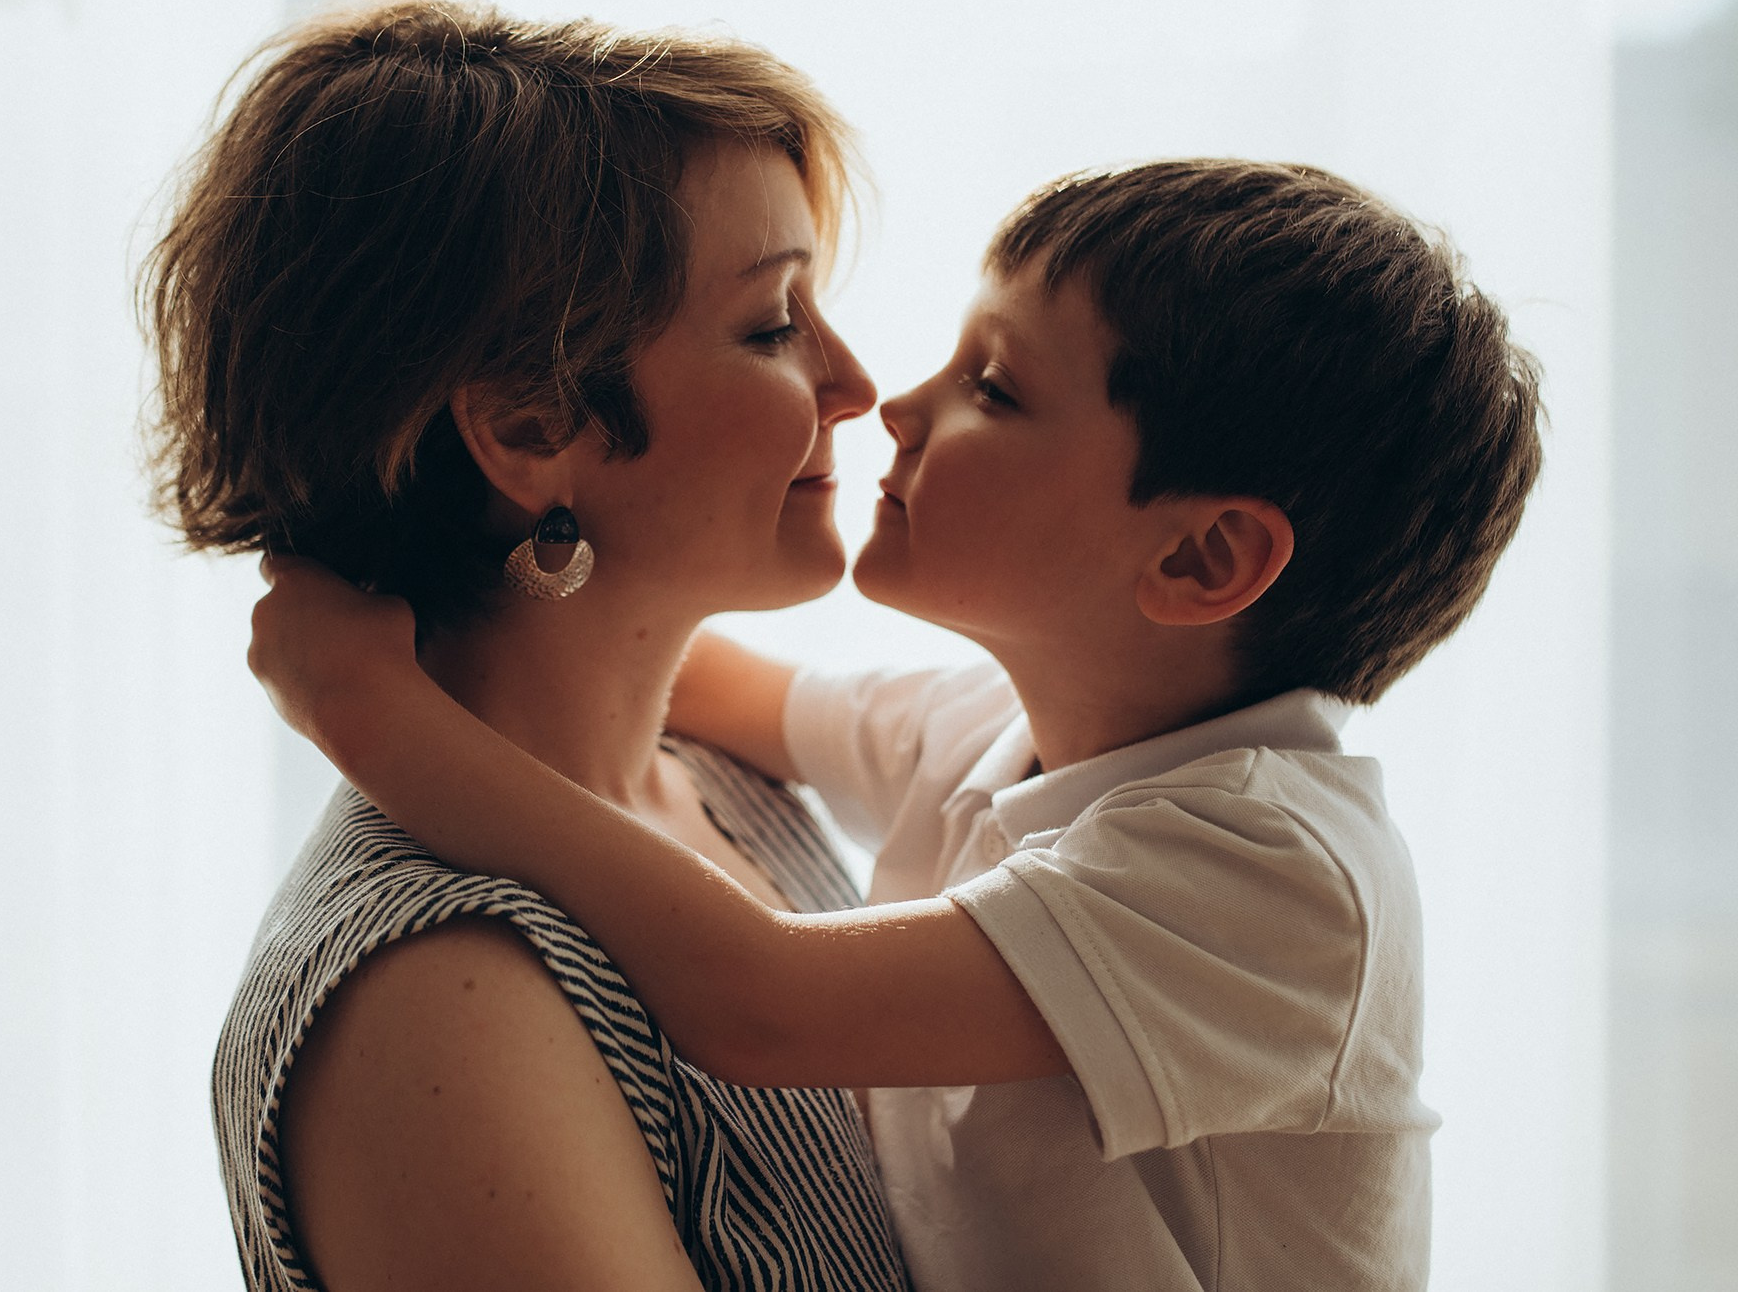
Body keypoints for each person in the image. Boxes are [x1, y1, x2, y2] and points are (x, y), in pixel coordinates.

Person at [252, 158, 1547, 1292]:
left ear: (1205, 556)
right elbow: (677, 667)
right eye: (769, 325)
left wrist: (380, 718)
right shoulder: (987, 728)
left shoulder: (1279, 874)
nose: (888, 399)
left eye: (995, 384)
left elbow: (764, 999)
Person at [141, 0, 913, 1291]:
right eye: (774, 322)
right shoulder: (438, 992)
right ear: (531, 424)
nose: (854, 382)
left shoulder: (728, 783)